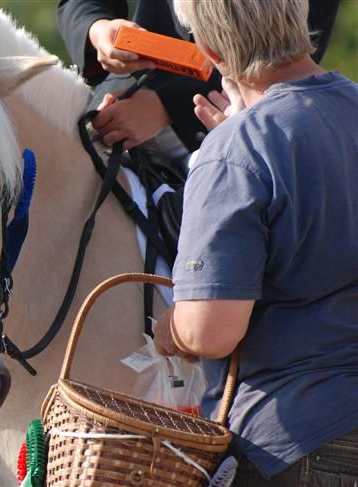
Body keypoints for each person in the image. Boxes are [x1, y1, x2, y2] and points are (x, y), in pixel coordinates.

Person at [151, 0, 358, 485]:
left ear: (205, 47)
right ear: (300, 12)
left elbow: (211, 331)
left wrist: (172, 329)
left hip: (289, 441)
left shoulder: (233, 152)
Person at [57, 0, 339, 151]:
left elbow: (296, 39)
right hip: (123, 90)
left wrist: (165, 106)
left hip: (237, 111)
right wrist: (97, 28)